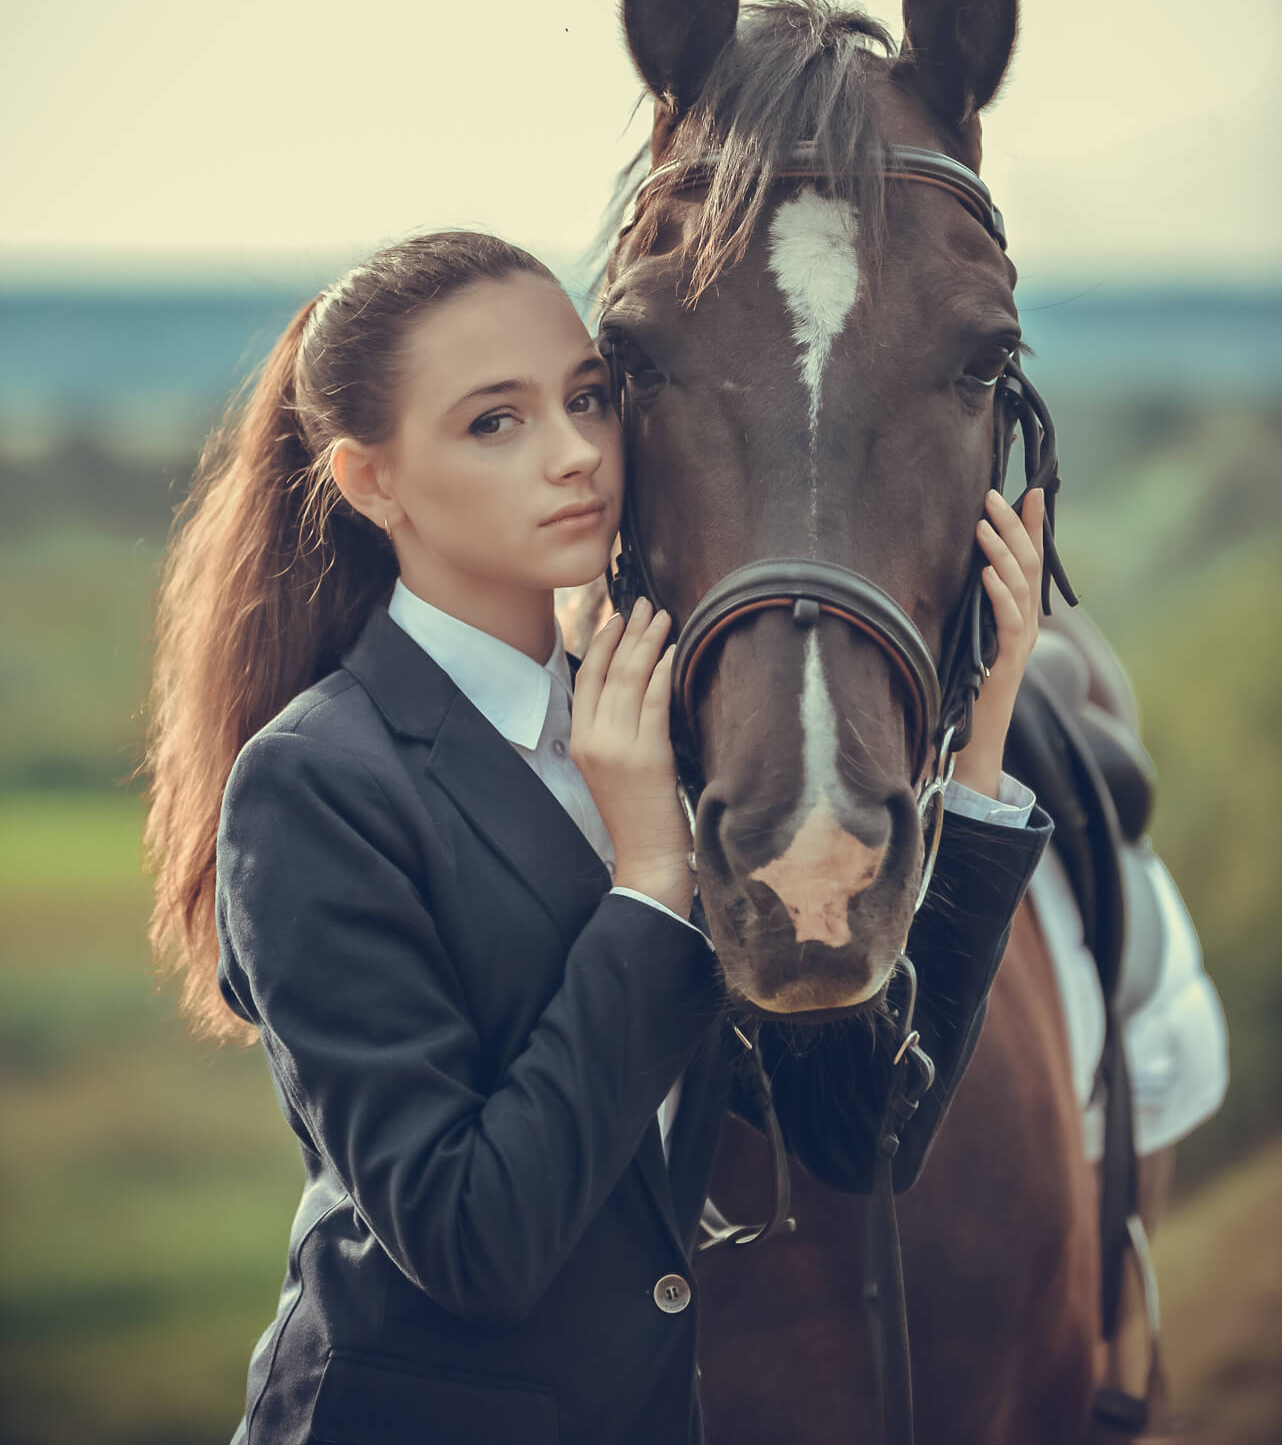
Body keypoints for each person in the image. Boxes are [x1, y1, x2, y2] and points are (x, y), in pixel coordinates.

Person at [144, 230, 1051, 1445]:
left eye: (587, 399)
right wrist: (651, 878)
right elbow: (473, 1241)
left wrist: (979, 739)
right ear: (372, 482)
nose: (575, 455)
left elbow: (861, 1135)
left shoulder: (657, 739)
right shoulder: (312, 785)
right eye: (493, 424)